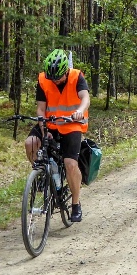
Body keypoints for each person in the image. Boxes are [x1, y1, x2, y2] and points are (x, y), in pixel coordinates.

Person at [24, 49, 91, 222]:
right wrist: (44, 131)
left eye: (58, 78)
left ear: (66, 71)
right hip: (50, 123)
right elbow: (41, 108)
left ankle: (75, 204)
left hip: (72, 124)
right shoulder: (43, 80)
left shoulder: (76, 76)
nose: (54, 81)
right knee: (30, 142)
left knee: (70, 163)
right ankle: (40, 173)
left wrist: (80, 111)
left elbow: (85, 98)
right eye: (51, 77)